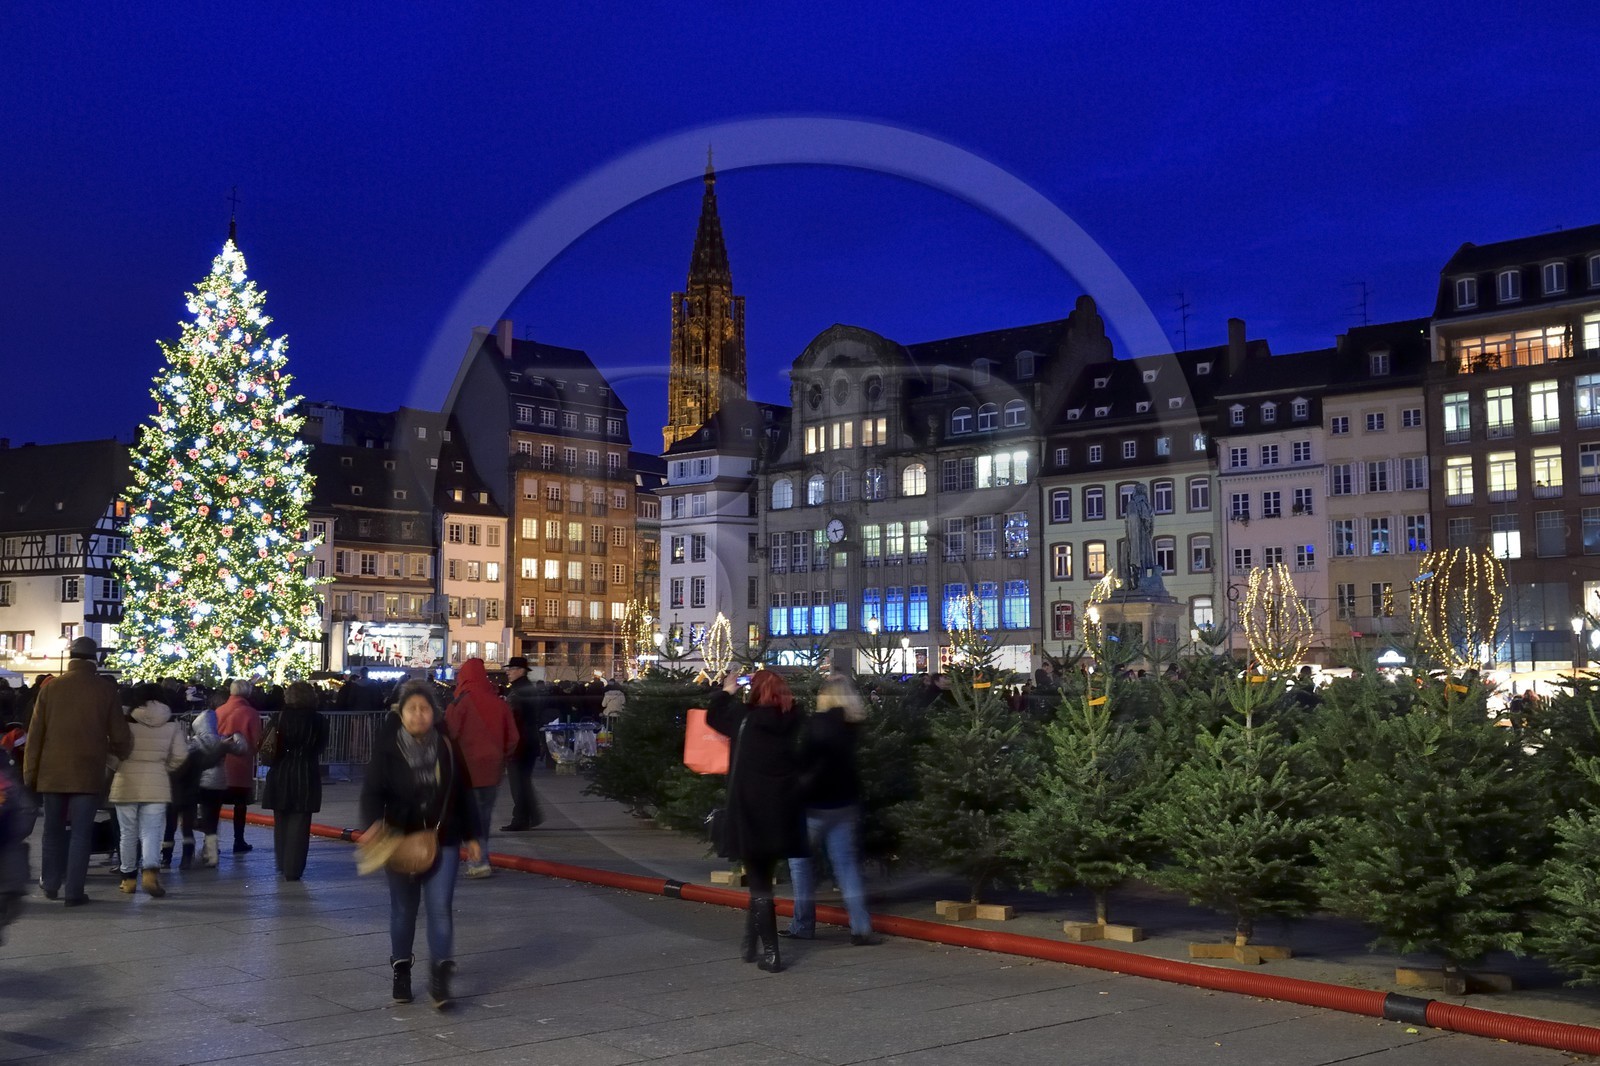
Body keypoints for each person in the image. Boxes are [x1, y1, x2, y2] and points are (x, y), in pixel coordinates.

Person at [361, 680, 482, 1008]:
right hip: (399, 839)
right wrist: (373, 824)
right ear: (401, 713)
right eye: (412, 709)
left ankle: (440, 978)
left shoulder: (447, 745)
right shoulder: (388, 747)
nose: (418, 715)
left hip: (443, 838)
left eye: (424, 708)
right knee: (403, 910)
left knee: (440, 908)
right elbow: (372, 792)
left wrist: (472, 836)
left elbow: (463, 791)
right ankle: (401, 969)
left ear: (434, 712)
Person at [705, 669, 807, 973]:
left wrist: (726, 690)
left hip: (750, 811)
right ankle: (750, 945)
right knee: (763, 879)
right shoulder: (793, 718)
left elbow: (712, 716)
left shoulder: (742, 718)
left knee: (760, 883)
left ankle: (772, 953)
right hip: (782, 812)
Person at [21, 636, 132, 906]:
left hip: (52, 771)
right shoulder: (105, 690)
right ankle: (74, 891)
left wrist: (30, 772)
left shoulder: (51, 688)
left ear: (71, 657)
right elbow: (119, 735)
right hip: (88, 770)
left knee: (52, 830)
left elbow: (35, 735)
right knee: (82, 832)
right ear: (94, 660)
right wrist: (120, 753)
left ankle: (50, 883)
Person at [783, 673, 880, 946]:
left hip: (814, 806)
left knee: (800, 864)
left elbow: (803, 760)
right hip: (846, 803)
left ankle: (803, 924)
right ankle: (860, 927)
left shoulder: (817, 723)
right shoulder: (853, 725)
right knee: (846, 867)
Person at [108, 682, 188, 897]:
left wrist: (119, 767)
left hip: (126, 782)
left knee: (127, 833)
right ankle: (150, 875)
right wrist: (163, 768)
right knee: (151, 832)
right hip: (157, 783)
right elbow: (181, 755)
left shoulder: (126, 722)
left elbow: (112, 752)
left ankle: (128, 879)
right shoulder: (172, 724)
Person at [444, 658, 517, 878]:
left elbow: (450, 735)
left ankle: (476, 862)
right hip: (492, 771)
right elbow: (513, 738)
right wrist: (502, 757)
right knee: (483, 817)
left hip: (466, 770)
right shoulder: (500, 703)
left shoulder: (460, 703)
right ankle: (480, 858)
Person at [262, 681, 328, 882]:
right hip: (305, 771)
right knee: (300, 822)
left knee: (280, 820)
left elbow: (268, 743)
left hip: (281, 771)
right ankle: (294, 868)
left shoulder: (279, 717)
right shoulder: (319, 721)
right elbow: (320, 747)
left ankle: (282, 863)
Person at [212, 679, 264, 856]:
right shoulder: (251, 713)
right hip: (241, 765)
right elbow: (257, 740)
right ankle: (238, 840)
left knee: (215, 806)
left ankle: (212, 843)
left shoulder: (219, 711)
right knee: (240, 806)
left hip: (220, 764)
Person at [500, 657, 545, 831]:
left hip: (520, 742)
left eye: (511, 669)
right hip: (530, 739)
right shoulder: (528, 689)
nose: (508, 672)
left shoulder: (518, 692)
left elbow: (512, 717)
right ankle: (530, 816)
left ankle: (521, 818)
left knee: (518, 782)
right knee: (523, 781)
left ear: (521, 670)